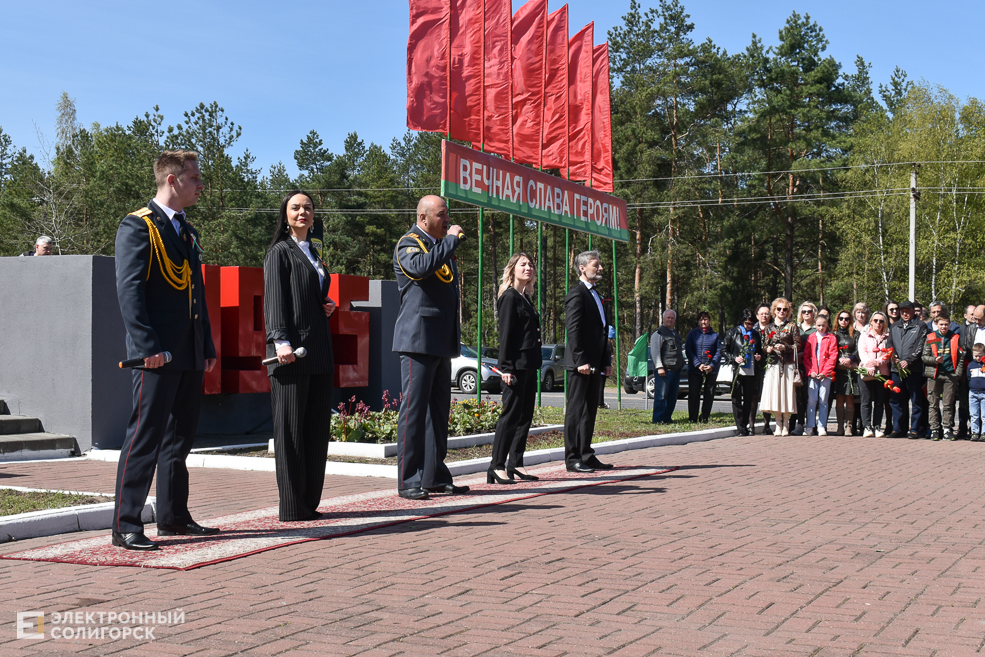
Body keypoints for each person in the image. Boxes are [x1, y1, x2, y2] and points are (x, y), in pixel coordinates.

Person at [111, 150, 217, 551]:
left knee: (179, 440)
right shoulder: (138, 226)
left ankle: (174, 517)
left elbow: (195, 292)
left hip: (187, 352)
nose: (200, 184)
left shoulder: (186, 230)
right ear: (172, 180)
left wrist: (204, 345)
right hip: (155, 353)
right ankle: (126, 523)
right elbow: (130, 292)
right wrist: (147, 346)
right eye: (194, 177)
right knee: (144, 436)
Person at [264, 190, 337, 521]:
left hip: (319, 350)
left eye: (307, 207)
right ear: (285, 214)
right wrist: (280, 340)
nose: (302, 212)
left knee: (316, 430)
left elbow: (310, 294)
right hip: (291, 355)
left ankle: (310, 502)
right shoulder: (279, 252)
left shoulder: (315, 252)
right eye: (295, 207)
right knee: (291, 432)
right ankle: (292, 507)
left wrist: (328, 305)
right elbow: (276, 298)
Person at [392, 195, 469, 500]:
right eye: (442, 215)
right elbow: (420, 268)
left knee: (437, 413)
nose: (447, 220)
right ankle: (409, 480)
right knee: (413, 412)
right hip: (418, 339)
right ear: (423, 218)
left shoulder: (439, 246)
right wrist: (450, 241)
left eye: (447, 215)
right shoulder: (408, 243)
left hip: (439, 340)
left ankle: (434, 475)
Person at [488, 253, 542, 485]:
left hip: (529, 365)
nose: (528, 268)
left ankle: (515, 464)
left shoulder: (525, 298)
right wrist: (506, 368)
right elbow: (506, 335)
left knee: (525, 417)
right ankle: (497, 466)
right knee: (510, 416)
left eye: (530, 265)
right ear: (512, 270)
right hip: (515, 367)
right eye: (523, 265)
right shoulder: (509, 297)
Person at [562, 250, 612, 473]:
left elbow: (601, 330)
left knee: (590, 410)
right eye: (596, 264)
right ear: (582, 268)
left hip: (594, 363)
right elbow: (573, 330)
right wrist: (580, 359)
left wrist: (605, 360)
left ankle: (586, 454)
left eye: (600, 265)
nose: (600, 268)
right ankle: (572, 458)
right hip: (580, 364)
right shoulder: (577, 293)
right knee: (576, 410)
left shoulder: (595, 294)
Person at [889, 300, 929, 439]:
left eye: (908, 310)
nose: (905, 313)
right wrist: (893, 357)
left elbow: (920, 346)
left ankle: (915, 429)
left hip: (914, 370)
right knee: (896, 400)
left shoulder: (921, 326)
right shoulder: (894, 326)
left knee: (916, 400)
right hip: (896, 369)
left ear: (913, 311)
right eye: (902, 311)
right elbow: (890, 345)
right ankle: (898, 429)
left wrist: (909, 360)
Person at [922, 311, 964, 441]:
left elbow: (961, 356)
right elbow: (924, 356)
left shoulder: (955, 338)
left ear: (950, 324)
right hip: (934, 375)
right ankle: (934, 429)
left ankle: (947, 429)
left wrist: (957, 373)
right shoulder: (932, 338)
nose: (944, 327)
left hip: (950, 375)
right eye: (941, 324)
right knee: (933, 404)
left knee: (948, 404)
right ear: (936, 324)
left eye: (946, 324)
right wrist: (935, 360)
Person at [760, 298, 799, 436]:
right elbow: (764, 345)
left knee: (787, 394)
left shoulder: (792, 326)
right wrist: (768, 349)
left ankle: (786, 424)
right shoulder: (769, 327)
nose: (781, 312)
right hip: (773, 365)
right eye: (779, 309)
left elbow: (797, 345)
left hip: (787, 364)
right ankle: (778, 424)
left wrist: (786, 347)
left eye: (784, 309)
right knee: (775, 394)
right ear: (774, 310)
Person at [722, 309, 762, 436]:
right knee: (736, 398)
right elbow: (724, 349)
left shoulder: (755, 334)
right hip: (737, 370)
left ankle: (745, 425)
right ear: (742, 322)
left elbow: (759, 350)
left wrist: (758, 356)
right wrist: (734, 358)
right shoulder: (733, 332)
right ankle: (740, 427)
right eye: (746, 323)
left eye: (751, 323)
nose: (748, 326)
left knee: (748, 399)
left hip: (751, 370)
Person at [858, 312, 891, 437]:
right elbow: (862, 352)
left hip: (882, 373)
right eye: (876, 320)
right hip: (866, 372)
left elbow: (888, 355)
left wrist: (876, 363)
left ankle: (877, 426)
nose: (878, 323)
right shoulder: (864, 335)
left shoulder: (888, 337)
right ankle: (867, 427)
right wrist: (869, 365)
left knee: (879, 401)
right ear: (871, 321)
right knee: (866, 400)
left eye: (881, 321)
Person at [684, 311, 721, 423]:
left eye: (705, 319)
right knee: (694, 394)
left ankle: (704, 417)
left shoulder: (715, 336)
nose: (703, 322)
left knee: (709, 395)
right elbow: (688, 350)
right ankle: (692, 418)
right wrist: (697, 364)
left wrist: (711, 365)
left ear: (709, 321)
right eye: (701, 319)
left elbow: (718, 352)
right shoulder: (692, 334)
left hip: (710, 371)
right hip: (695, 370)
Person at [804, 313, 837, 435]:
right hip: (812, 373)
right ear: (814, 325)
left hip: (825, 374)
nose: (821, 328)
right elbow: (807, 357)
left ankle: (822, 425)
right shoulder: (811, 337)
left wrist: (825, 372)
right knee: (812, 400)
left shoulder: (831, 338)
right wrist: (810, 371)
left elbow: (833, 356)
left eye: (823, 325)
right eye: (818, 325)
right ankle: (810, 425)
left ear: (827, 325)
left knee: (823, 399)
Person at [650, 309, 684, 424]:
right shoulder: (659, 333)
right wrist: (659, 367)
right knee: (661, 396)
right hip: (664, 371)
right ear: (663, 318)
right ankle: (658, 419)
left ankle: (667, 418)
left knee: (672, 397)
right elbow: (655, 351)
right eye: (668, 317)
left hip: (675, 370)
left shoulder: (675, 334)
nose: (670, 320)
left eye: (672, 318)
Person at [792, 301, 818, 434]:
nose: (806, 314)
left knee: (811, 397)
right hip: (797, 366)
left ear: (814, 313)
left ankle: (811, 424)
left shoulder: (817, 328)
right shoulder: (796, 327)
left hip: (813, 366)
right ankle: (800, 423)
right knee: (799, 397)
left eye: (809, 311)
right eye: (804, 311)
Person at [833, 310, 858, 435]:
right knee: (839, 397)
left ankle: (849, 426)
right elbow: (831, 349)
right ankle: (839, 426)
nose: (844, 321)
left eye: (847, 319)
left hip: (851, 369)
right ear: (837, 319)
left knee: (849, 397)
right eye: (841, 318)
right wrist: (839, 358)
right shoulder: (834, 334)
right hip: (838, 369)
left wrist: (850, 359)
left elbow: (858, 349)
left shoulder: (855, 334)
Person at [850, 302, 871, 436]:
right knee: (852, 396)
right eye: (858, 312)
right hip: (850, 366)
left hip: (864, 366)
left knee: (864, 397)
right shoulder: (850, 328)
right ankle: (851, 424)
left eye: (863, 312)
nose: (860, 315)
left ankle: (864, 424)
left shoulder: (870, 328)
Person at [753, 303, 774, 434]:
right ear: (757, 315)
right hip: (754, 366)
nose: (764, 316)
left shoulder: (773, 329)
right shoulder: (753, 330)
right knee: (754, 396)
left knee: (767, 395)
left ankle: (767, 425)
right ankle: (751, 424)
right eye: (762, 313)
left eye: (767, 313)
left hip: (770, 365)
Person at [967, 343, 985, 441]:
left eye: (980, 356)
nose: (978, 358)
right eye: (976, 356)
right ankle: (975, 432)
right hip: (973, 392)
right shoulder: (971, 365)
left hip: (984, 393)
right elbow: (969, 377)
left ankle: (984, 432)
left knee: (984, 415)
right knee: (974, 414)